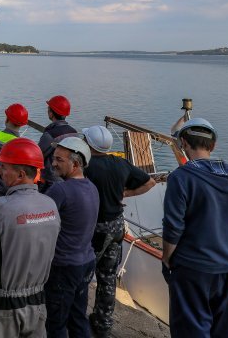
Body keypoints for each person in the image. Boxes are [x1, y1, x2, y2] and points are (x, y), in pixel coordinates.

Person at [162, 118, 228, 337]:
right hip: (226, 267)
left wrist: (166, 259)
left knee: (190, 328)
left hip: (191, 268)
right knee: (223, 329)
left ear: (183, 143)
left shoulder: (181, 178)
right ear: (212, 146)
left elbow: (173, 228)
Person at [0, 138, 61, 338]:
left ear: (21, 174)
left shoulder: (0, 207)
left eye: (3, 166)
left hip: (3, 306)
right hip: (38, 302)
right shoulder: (51, 205)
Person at [82, 125, 156, 338]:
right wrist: (125, 193)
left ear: (88, 143)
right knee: (108, 277)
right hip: (116, 226)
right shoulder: (120, 163)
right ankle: (103, 323)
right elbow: (150, 182)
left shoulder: (85, 166)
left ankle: (76, 320)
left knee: (83, 276)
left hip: (94, 228)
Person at [44, 136, 99, 338]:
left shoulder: (61, 189)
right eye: (54, 158)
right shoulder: (91, 187)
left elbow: (41, 219)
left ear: (75, 164)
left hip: (64, 265)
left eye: (59, 160)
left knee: (56, 323)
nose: (53, 163)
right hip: (86, 261)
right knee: (78, 317)